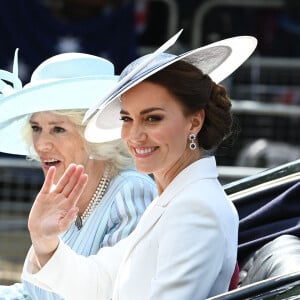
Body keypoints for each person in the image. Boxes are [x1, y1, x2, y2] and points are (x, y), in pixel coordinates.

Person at [21, 33, 257, 299]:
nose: (134, 135)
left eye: (153, 118)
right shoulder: (171, 199)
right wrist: (44, 240)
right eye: (126, 118)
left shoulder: (196, 208)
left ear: (194, 122)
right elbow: (100, 283)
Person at [0, 51, 157, 299]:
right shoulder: (60, 196)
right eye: (36, 128)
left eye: (58, 129)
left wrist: (42, 240)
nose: (41, 144)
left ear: (94, 134)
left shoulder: (130, 191)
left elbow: (112, 293)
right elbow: (33, 294)